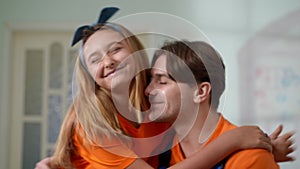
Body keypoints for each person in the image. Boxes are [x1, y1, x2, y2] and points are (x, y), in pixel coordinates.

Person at [35, 7, 293, 169]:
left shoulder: (153, 107)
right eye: (95, 59)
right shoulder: (91, 124)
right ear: (89, 75)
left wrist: (262, 150)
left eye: (116, 49)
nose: (108, 60)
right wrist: (230, 143)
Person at [145, 40, 295, 168]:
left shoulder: (251, 158)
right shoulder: (157, 150)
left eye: (162, 81)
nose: (148, 90)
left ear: (201, 92)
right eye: (150, 80)